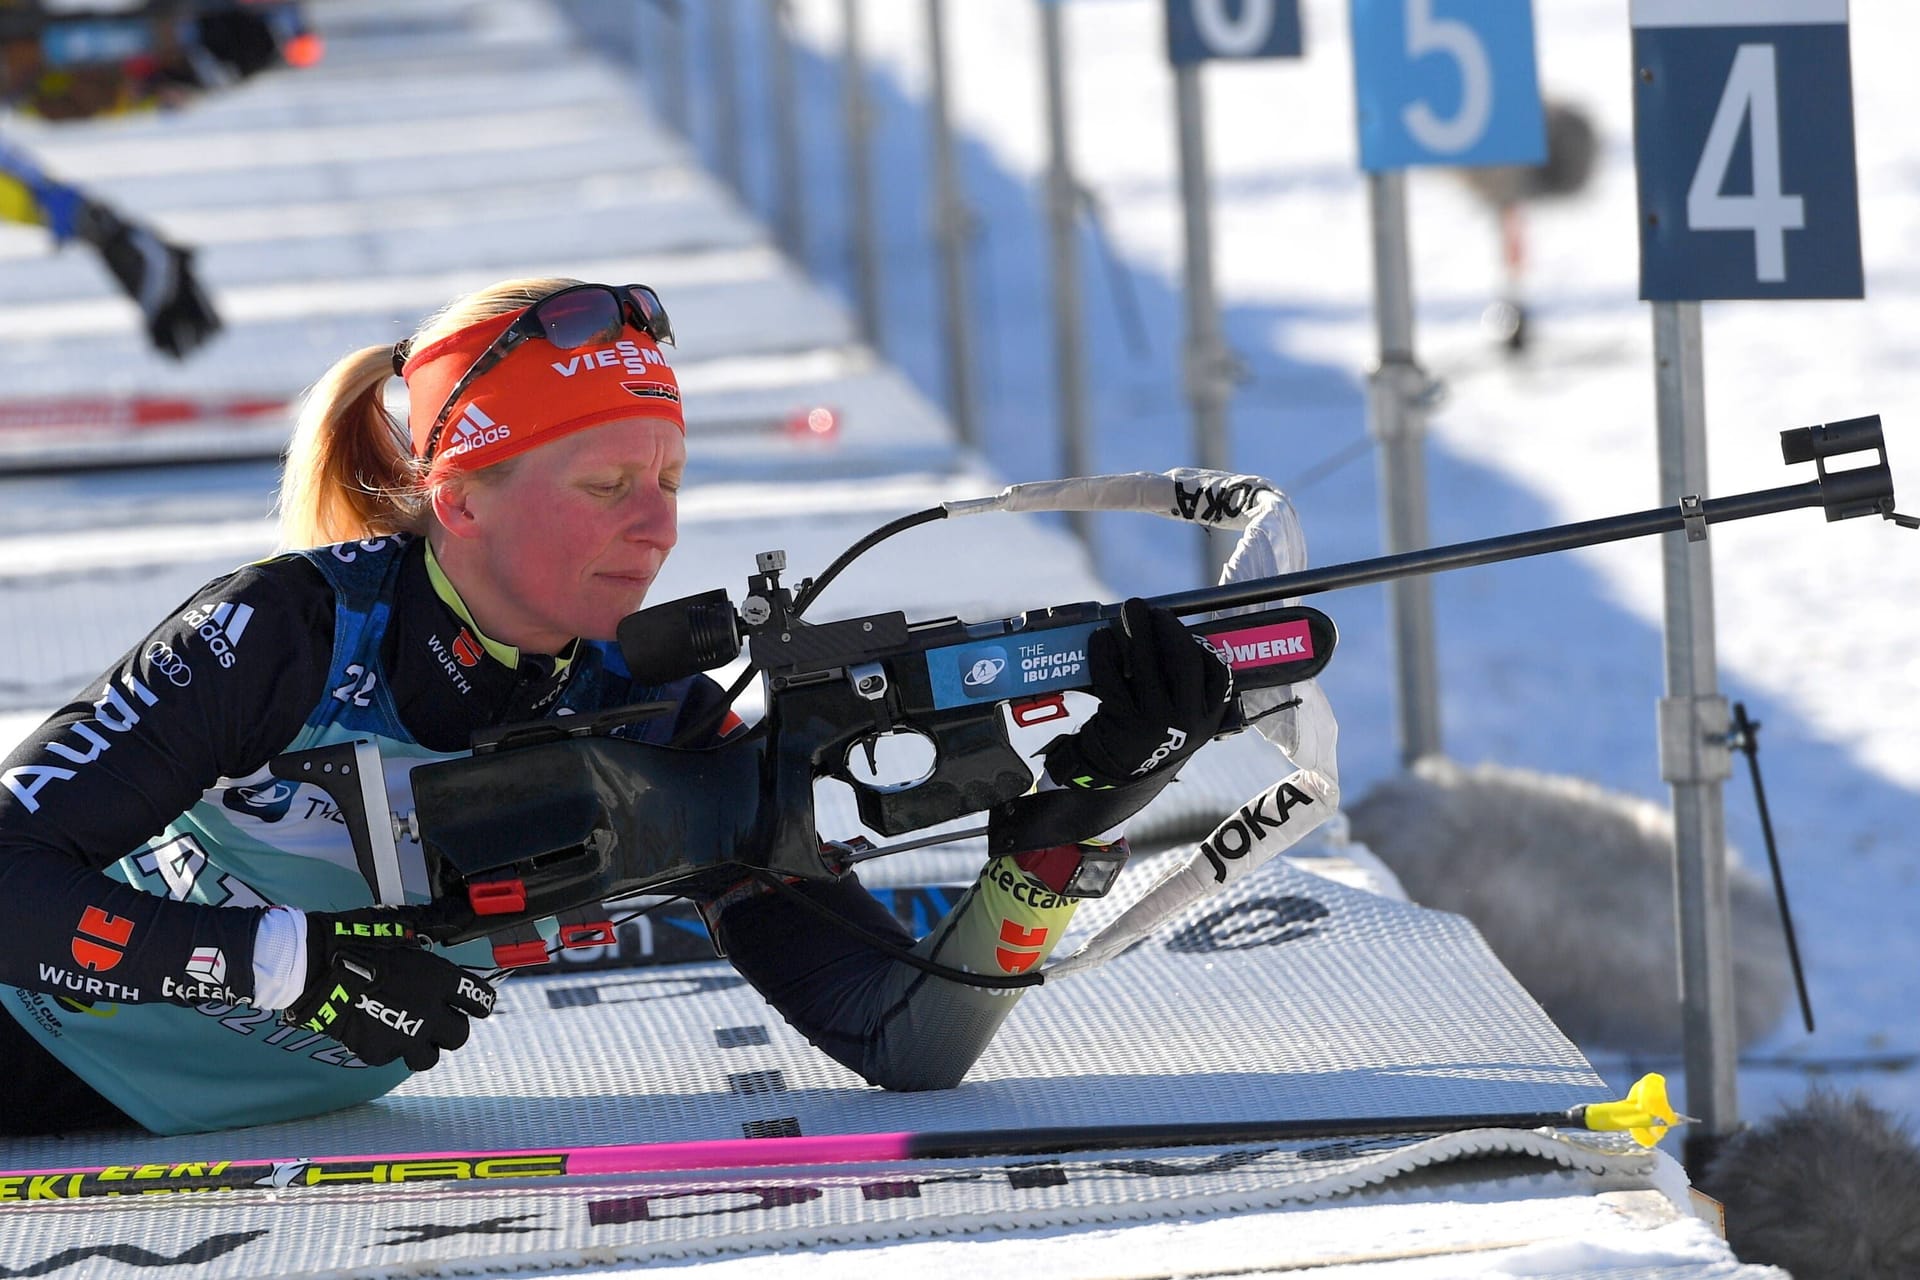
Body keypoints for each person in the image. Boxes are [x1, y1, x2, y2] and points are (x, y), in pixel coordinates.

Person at [0, 277, 1233, 1136]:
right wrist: (278, 965)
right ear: (464, 496)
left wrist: (1064, 829)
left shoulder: (657, 720)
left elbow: (902, 1038)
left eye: (670, 478)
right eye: (604, 483)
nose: (655, 527)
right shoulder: (286, 635)